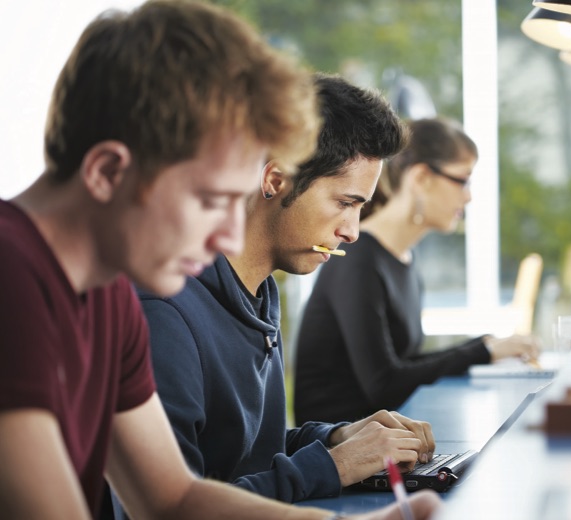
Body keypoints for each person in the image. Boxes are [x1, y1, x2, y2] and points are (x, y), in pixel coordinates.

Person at [0, 2, 441, 519]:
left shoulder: (109, 293)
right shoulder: (13, 278)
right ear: (107, 172)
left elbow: (173, 498)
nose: (230, 234)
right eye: (212, 201)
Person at [114, 73, 436, 510]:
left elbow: (245, 453)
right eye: (345, 203)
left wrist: (338, 437)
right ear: (275, 180)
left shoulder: (259, 289)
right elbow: (176, 506)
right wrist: (334, 466)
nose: (353, 232)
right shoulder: (163, 311)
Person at [293, 117, 541, 425]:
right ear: (421, 177)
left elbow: (405, 364)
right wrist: (483, 351)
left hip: (387, 437)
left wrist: (487, 345)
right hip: (342, 453)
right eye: (463, 180)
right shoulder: (357, 258)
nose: (469, 196)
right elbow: (383, 384)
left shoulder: (403, 258)